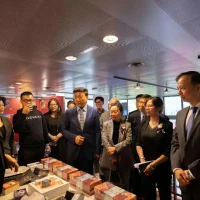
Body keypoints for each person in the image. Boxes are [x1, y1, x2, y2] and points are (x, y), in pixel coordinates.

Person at [171, 71, 200, 200]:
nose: (179, 92)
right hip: (184, 181)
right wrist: (177, 168)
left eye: (183, 88)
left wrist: (192, 172)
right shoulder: (181, 114)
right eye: (178, 89)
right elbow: (175, 143)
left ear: (198, 87)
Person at [136, 97, 173, 200]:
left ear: (158, 107)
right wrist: (142, 160)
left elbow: (168, 150)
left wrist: (153, 164)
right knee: (148, 194)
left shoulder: (167, 125)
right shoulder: (143, 123)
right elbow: (138, 143)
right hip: (146, 166)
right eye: (146, 105)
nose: (147, 108)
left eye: (150, 106)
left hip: (162, 165)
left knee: (165, 194)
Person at [63, 87, 101, 174]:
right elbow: (64, 130)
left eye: (80, 96)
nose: (78, 99)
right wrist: (74, 138)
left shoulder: (94, 111)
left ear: (87, 97)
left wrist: (97, 150)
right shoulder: (69, 112)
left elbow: (97, 131)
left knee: (88, 178)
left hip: (88, 150)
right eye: (75, 97)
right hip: (73, 150)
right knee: (72, 176)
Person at [100, 102, 133, 189]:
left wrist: (115, 148)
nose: (113, 114)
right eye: (111, 112)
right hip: (108, 158)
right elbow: (104, 138)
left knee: (124, 185)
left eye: (115, 111)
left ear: (121, 112)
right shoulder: (106, 124)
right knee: (109, 185)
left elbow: (128, 140)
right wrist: (111, 151)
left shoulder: (127, 125)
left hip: (123, 159)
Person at [13, 91, 50, 166]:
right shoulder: (17, 115)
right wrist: (23, 114)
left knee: (40, 169)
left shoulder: (39, 113)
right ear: (21, 101)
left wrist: (47, 143)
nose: (28, 102)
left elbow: (44, 128)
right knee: (26, 170)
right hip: (26, 149)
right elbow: (18, 129)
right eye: (25, 100)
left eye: (30, 100)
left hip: (40, 147)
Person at [127, 94, 151, 197]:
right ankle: (136, 193)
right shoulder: (132, 115)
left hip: (148, 149)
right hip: (134, 149)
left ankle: (146, 192)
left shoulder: (153, 116)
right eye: (140, 102)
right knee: (135, 172)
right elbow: (129, 133)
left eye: (144, 103)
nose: (141, 105)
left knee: (147, 173)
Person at [44, 98, 67, 162]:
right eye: (51, 105)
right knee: (52, 162)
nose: (53, 106)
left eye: (54, 104)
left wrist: (59, 135)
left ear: (58, 105)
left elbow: (67, 127)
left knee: (63, 161)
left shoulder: (63, 115)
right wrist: (51, 136)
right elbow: (43, 128)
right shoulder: (45, 116)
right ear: (48, 106)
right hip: (50, 143)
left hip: (62, 142)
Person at [0, 130, 19, 194]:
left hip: (6, 158)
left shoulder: (5, 120)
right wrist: (4, 155)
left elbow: (11, 139)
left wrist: (13, 156)